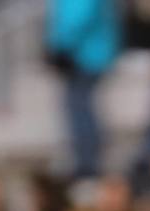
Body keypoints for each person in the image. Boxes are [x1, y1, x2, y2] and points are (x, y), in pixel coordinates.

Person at [45, 0, 122, 179]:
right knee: (80, 106)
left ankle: (87, 163)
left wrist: (61, 46)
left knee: (79, 108)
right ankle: (87, 159)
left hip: (85, 55)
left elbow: (78, 17)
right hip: (88, 53)